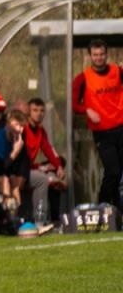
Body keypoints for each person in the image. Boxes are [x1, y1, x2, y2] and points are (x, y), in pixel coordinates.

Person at [71, 39, 123, 216]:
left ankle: (116, 212)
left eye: (102, 54)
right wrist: (87, 110)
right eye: (95, 55)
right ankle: (102, 205)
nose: (99, 58)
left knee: (119, 172)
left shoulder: (117, 71)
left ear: (106, 54)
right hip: (102, 132)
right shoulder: (83, 78)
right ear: (90, 56)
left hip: (121, 126)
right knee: (113, 170)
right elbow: (73, 103)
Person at [22, 97, 66, 225]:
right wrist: (39, 168)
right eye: (35, 110)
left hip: (31, 168)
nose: (39, 113)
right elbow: (22, 159)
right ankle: (39, 221)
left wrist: (59, 166)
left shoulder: (40, 131)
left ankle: (55, 220)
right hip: (21, 170)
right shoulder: (23, 129)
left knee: (54, 177)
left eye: (42, 111)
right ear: (28, 112)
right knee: (45, 179)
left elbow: (49, 149)